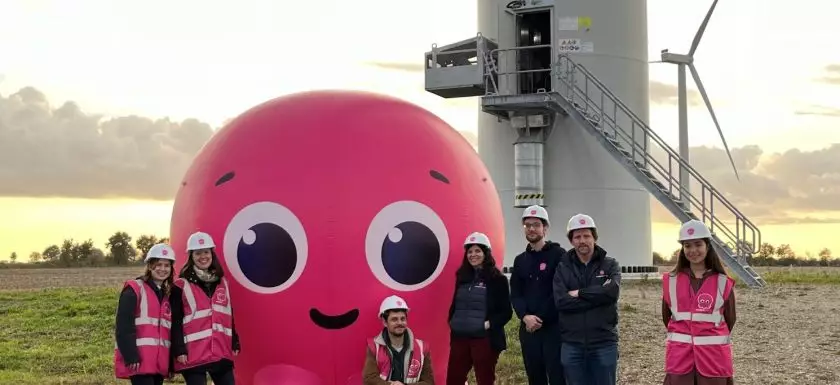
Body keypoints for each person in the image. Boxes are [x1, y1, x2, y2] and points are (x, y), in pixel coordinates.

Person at [662, 219, 736, 385]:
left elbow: (730, 320)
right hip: (680, 359)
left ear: (707, 246)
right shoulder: (671, 280)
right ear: (682, 249)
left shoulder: (723, 281)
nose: (693, 250)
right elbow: (667, 318)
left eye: (698, 244)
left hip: (714, 360)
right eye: (687, 245)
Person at [552, 214, 621, 385]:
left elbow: (611, 293)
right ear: (571, 241)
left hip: (604, 342)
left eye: (586, 236)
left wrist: (579, 293)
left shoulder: (610, 265)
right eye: (577, 237)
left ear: (594, 238)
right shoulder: (563, 268)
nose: (582, 241)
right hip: (572, 344)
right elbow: (561, 301)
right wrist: (598, 296)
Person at [170, 231, 240, 385]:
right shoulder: (180, 285)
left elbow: (228, 313)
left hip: (220, 349)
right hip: (193, 353)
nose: (203, 256)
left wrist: (234, 339)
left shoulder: (222, 282)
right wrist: (179, 349)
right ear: (191, 256)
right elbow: (175, 321)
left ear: (212, 254)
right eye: (198, 253)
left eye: (206, 252)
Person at [509, 205, 567, 385]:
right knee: (535, 377)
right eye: (527, 225)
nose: (531, 229)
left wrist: (539, 318)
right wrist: (525, 316)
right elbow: (516, 293)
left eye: (536, 225)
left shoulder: (559, 255)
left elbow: (559, 290)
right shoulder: (520, 260)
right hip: (528, 329)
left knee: (557, 377)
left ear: (545, 228)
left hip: (553, 328)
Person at [446, 232, 513, 385]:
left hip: (484, 339)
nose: (473, 255)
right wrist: (452, 321)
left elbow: (506, 312)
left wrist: (488, 324)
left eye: (477, 251)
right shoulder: (462, 277)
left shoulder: (498, 279)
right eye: (470, 251)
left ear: (486, 253)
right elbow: (455, 304)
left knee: (485, 380)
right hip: (460, 337)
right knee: (453, 379)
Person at [114, 243, 177, 385]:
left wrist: (169, 364)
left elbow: (166, 333)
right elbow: (123, 326)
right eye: (158, 264)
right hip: (140, 361)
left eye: (167, 265)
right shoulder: (134, 288)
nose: (163, 269)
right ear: (149, 266)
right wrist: (131, 356)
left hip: (158, 363)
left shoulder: (165, 295)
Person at [363, 295, 435, 385]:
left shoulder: (422, 348)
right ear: (385, 322)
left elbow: (429, 382)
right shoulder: (374, 347)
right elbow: (369, 380)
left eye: (402, 319)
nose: (400, 323)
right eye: (394, 319)